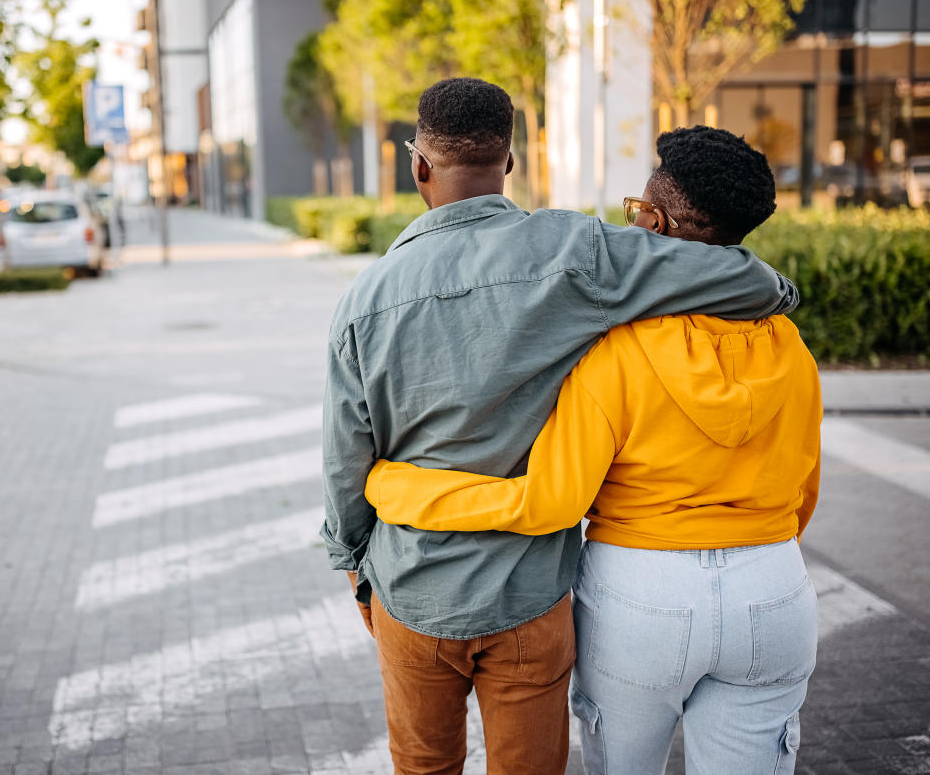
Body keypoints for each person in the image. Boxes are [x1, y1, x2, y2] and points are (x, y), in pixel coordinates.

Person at [320, 79, 801, 775]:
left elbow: (345, 461)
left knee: (422, 766)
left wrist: (354, 565)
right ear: (508, 162)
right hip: (529, 599)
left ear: (418, 165)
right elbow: (745, 280)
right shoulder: (574, 253)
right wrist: (778, 294)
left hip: (411, 589)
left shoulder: (363, 300)